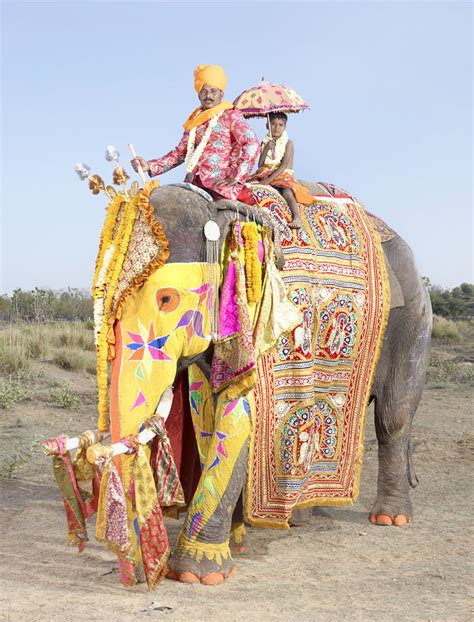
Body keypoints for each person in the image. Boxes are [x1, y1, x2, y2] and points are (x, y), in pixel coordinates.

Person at [131, 65, 260, 205]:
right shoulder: (194, 121)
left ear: (221, 94)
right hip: (193, 185)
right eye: (204, 91)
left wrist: (236, 176)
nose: (208, 96)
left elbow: (252, 144)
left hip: (220, 186)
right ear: (198, 94)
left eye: (213, 91)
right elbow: (180, 153)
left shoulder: (230, 115)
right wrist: (149, 166)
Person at [249, 112, 313, 228]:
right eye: (273, 124)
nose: (276, 128)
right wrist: (267, 149)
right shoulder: (265, 143)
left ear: (285, 127)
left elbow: (283, 166)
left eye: (280, 125)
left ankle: (296, 217)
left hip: (282, 175)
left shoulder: (288, 143)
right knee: (247, 185)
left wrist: (267, 181)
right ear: (267, 126)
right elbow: (260, 164)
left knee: (287, 193)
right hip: (265, 172)